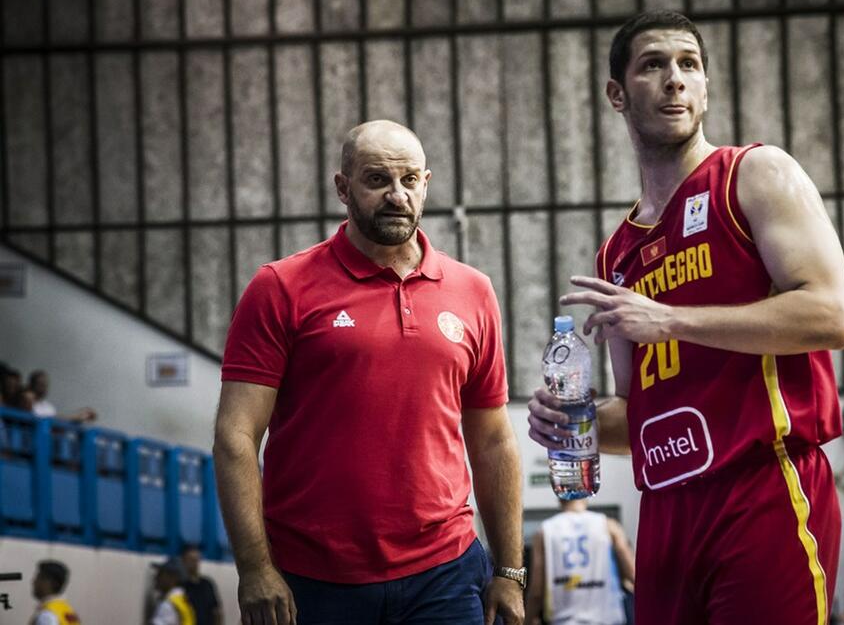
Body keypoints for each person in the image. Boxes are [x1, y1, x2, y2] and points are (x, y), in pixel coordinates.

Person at [527, 10, 844, 625]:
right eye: (654, 65)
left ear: (705, 87)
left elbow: (830, 313)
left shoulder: (754, 174)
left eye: (689, 65)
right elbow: (638, 412)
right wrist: (576, 426)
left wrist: (672, 321)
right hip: (667, 509)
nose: (675, 79)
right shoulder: (617, 252)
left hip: (764, 486)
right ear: (617, 95)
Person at [215, 120, 525, 625]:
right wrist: (255, 569)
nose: (396, 196)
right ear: (343, 187)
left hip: (444, 574)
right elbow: (235, 436)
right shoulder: (281, 287)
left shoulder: (473, 291)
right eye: (377, 180)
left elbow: (493, 440)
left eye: (409, 181)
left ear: (426, 182)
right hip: (313, 581)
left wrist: (510, 572)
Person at [525, 500, 635, 625]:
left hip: (564, 620)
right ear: (587, 496)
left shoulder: (544, 531)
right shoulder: (609, 526)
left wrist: (528, 619)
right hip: (606, 619)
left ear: (559, 498)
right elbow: (632, 574)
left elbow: (537, 592)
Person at [28, 370, 98, 423]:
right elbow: (49, 419)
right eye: (41, 385)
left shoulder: (48, 406)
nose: (44, 389)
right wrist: (77, 417)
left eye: (46, 385)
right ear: (31, 385)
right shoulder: (26, 402)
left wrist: (81, 414)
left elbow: (56, 421)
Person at [180, 544, 222, 625]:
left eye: (196, 560)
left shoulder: (207, 584)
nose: (195, 563)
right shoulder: (180, 586)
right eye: (191, 560)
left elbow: (216, 611)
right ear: (184, 561)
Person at [30, 560, 80, 625]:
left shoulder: (47, 615)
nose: (34, 582)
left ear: (53, 583)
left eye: (39, 578)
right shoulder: (68, 611)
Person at [149, 559, 195, 625]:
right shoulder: (182, 599)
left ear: (173, 578)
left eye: (160, 574)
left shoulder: (167, 605)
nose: (156, 577)